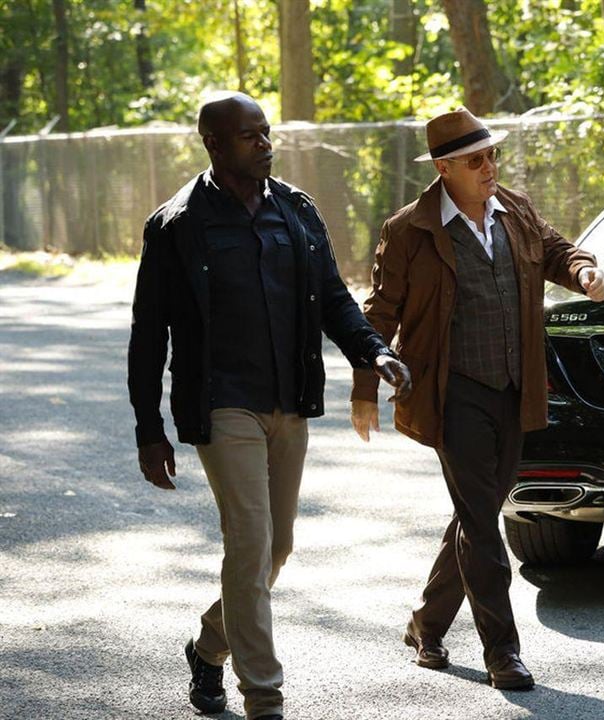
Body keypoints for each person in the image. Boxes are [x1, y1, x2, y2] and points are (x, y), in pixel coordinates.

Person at [127, 91, 411, 720]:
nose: (265, 143)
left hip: (290, 400)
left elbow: (334, 299)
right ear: (214, 144)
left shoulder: (297, 211)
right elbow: (149, 334)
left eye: (266, 132)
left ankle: (208, 646)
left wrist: (373, 352)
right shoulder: (178, 224)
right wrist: (150, 429)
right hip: (223, 405)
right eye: (250, 135)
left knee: (276, 548)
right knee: (249, 543)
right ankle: (265, 696)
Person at [350, 108, 604, 690]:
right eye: (475, 160)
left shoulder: (513, 209)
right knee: (482, 524)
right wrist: (366, 388)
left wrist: (585, 270)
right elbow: (379, 313)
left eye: (492, 155)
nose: (489, 167)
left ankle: (426, 623)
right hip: (453, 393)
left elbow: (556, 250)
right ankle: (503, 652)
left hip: (514, 388)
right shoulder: (410, 230)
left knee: (477, 516)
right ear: (444, 168)